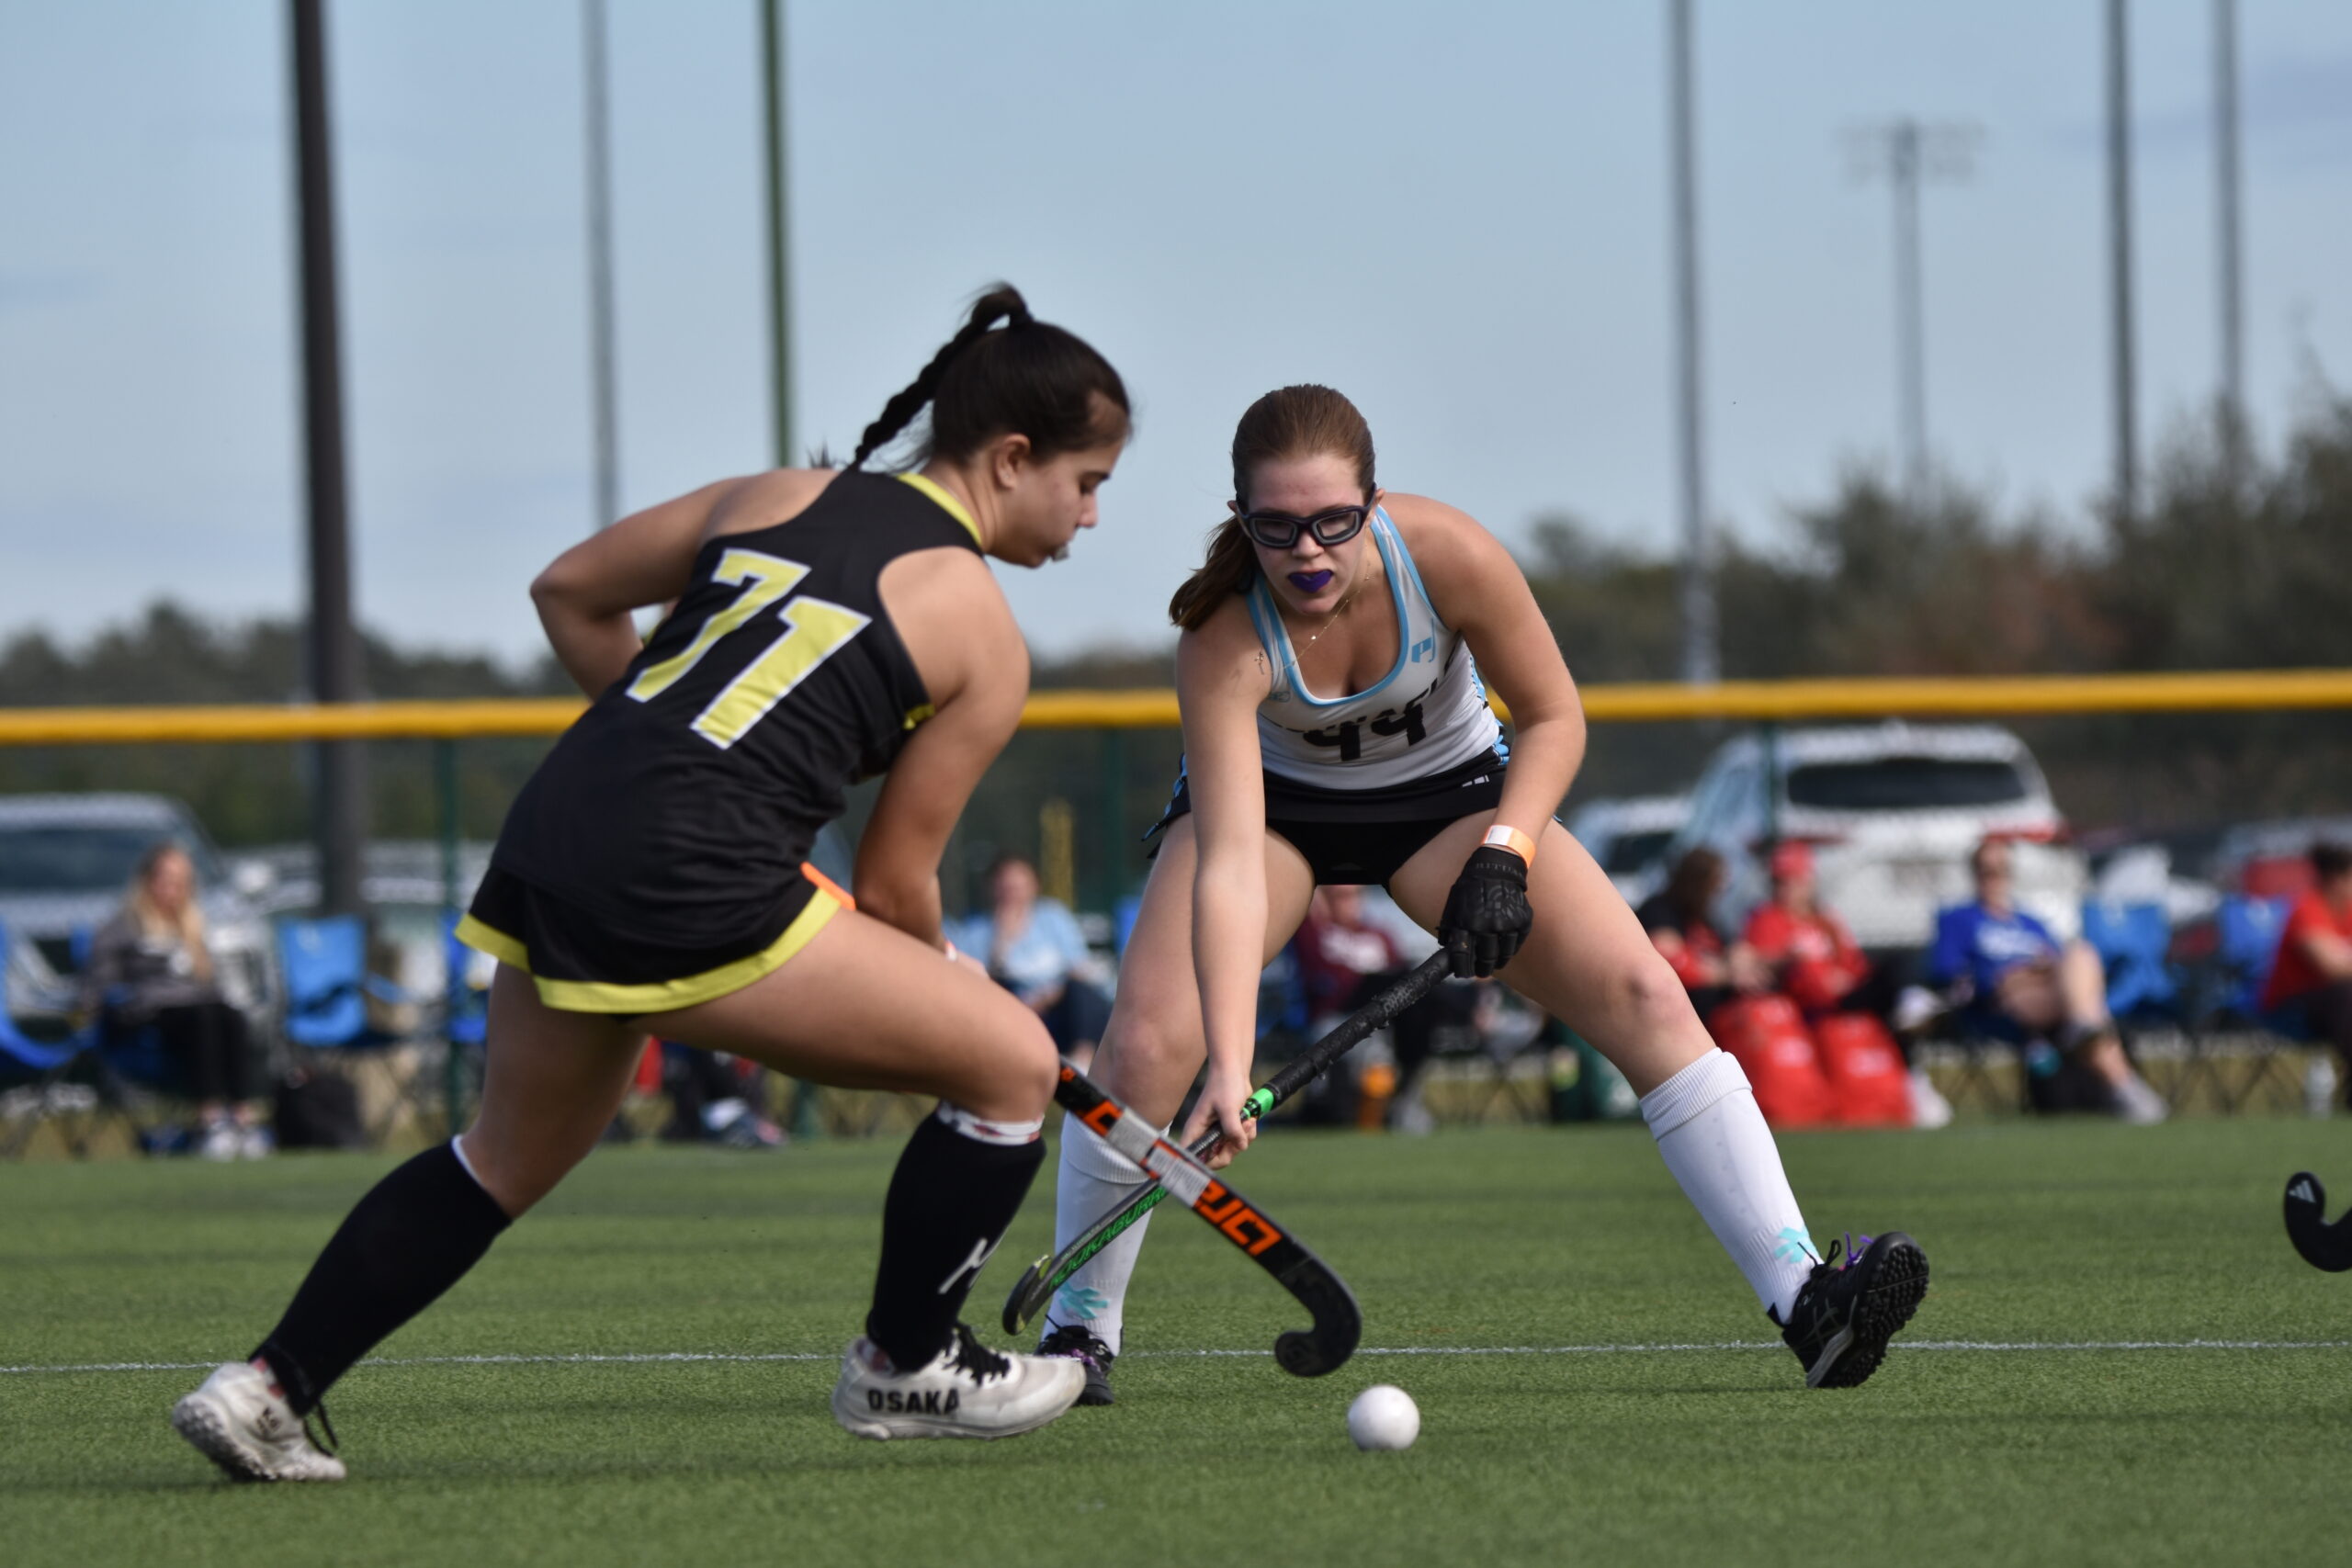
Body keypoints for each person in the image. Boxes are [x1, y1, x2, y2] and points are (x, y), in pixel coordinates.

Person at [169, 286, 1133, 1482]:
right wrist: (949, 972)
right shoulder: (984, 632)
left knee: (500, 1157)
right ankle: (910, 1354)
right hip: (691, 873)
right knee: (1010, 1062)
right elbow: (894, 883)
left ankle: (265, 1388)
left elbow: (566, 590)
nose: (1091, 517)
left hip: (560, 828)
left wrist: (667, 755)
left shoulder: (776, 491)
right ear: (1012, 456)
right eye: (1088, 483)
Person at [1034, 385, 1926, 1406]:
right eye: (1276, 528)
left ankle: (1803, 1297)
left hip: (1445, 805)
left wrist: (1506, 853)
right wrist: (1230, 1065)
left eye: (1331, 521)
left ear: (1372, 504)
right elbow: (1231, 862)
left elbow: (1552, 717)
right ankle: (1079, 1335)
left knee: (1643, 992)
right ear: (1243, 519)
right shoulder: (1220, 640)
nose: (1307, 552)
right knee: (1146, 1047)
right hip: (1274, 820)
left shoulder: (1448, 554)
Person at [1930, 836, 2165, 1122]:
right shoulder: (1958, 919)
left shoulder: (2030, 922)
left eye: (2002, 870)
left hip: (2050, 993)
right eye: (1986, 870)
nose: (1994, 878)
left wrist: (2040, 968)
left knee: (2081, 952)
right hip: (2002, 999)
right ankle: (2122, 1084)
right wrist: (2007, 975)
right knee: (2090, 1010)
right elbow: (1947, 974)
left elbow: (2058, 963)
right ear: (1974, 872)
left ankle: (2086, 1032)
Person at [1740, 840, 1952, 1128]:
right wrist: (1788, 960)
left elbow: (1854, 964)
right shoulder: (1767, 919)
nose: (1786, 888)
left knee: (1901, 967)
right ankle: (1913, 1029)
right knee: (1897, 998)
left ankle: (1913, 1054)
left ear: (1809, 881)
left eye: (1793, 880)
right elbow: (1755, 963)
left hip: (1843, 995)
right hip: (1804, 1003)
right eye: (1779, 881)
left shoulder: (1825, 920)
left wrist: (1842, 978)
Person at [81, 842, 266, 1160]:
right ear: (146, 881)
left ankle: (240, 1119)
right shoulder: (122, 927)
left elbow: (209, 980)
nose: (172, 890)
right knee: (202, 1018)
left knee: (230, 1016)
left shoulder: (192, 926)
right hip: (146, 1018)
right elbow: (99, 984)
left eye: (180, 882)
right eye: (165, 880)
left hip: (197, 1008)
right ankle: (210, 1120)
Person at [949, 855, 1113, 1069]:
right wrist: (1001, 941)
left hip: (1059, 1005)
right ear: (993, 889)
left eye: (1018, 886)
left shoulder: (1053, 917)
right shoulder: (976, 931)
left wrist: (1045, 997)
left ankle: (1081, 1065)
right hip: (1012, 1008)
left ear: (1033, 886)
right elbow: (977, 982)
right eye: (1006, 887)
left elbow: (1078, 967)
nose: (1012, 893)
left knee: (1082, 992)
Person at [2257, 840, 2352, 1111]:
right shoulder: (2307, 909)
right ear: (2336, 879)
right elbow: (2330, 967)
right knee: (2347, 995)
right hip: (2291, 1011)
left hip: (2334, 1010)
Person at [1637, 845, 1769, 1019]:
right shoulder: (1658, 909)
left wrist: (1741, 963)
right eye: (1713, 886)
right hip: (1681, 1014)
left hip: (1724, 1013)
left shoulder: (1705, 916)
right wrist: (1727, 974)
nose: (1716, 894)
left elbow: (1734, 950)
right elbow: (1674, 960)